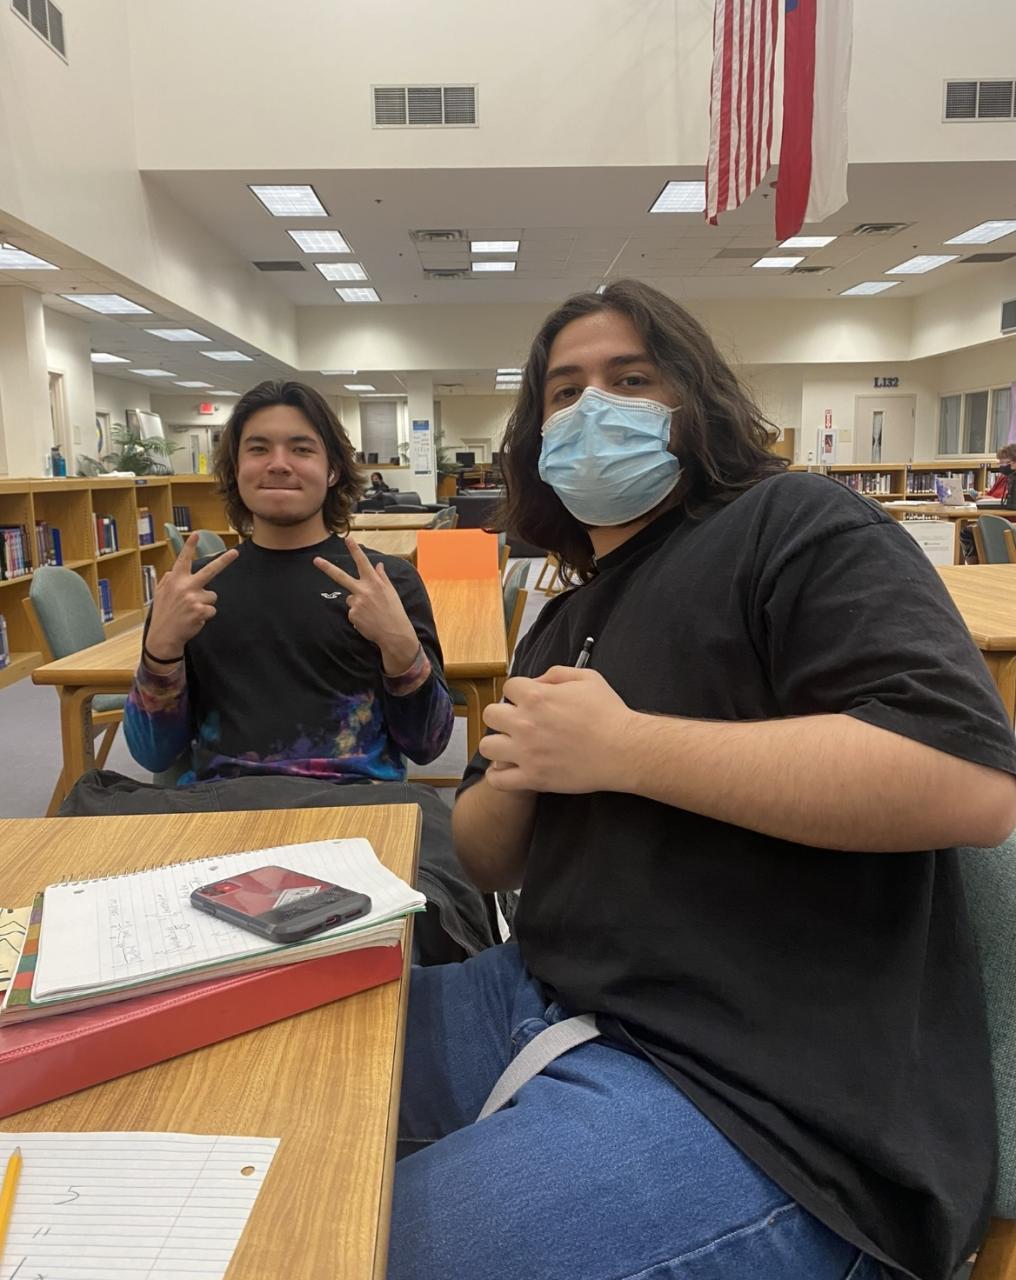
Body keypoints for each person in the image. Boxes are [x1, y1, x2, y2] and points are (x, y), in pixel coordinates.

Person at [387, 281, 1016, 1280]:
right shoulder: (559, 619)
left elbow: (965, 782)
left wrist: (626, 748)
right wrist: (517, 776)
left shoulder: (796, 524)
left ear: (695, 402)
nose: (594, 407)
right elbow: (488, 858)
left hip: (763, 1097)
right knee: (275, 1076)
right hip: (543, 990)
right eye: (564, 391)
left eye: (631, 378)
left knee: (357, 1247)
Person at [124, 380, 453, 785]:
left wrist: (401, 649)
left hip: (356, 804)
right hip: (225, 806)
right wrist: (160, 653)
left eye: (301, 449)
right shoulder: (192, 591)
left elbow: (427, 745)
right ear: (236, 469)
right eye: (258, 449)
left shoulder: (386, 583)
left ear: (332, 470)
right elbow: (153, 755)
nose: (278, 464)